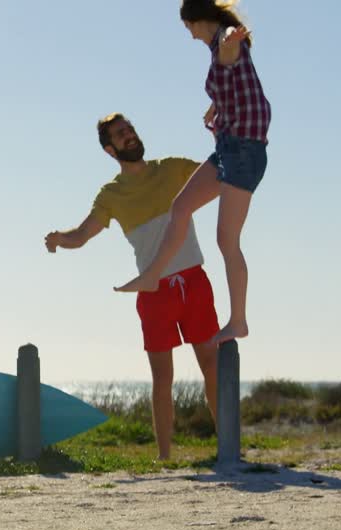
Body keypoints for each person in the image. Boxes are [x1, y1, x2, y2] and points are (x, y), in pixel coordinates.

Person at [44, 113, 219, 460]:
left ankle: (229, 446)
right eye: (121, 134)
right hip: (153, 293)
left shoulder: (172, 168)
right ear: (110, 149)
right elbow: (81, 235)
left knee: (213, 367)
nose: (130, 136)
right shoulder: (111, 194)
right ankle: (165, 457)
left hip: (195, 282)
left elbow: (219, 174)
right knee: (162, 379)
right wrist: (59, 239)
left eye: (131, 130)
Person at [113, 0, 270, 348]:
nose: (190, 35)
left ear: (200, 21)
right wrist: (215, 105)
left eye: (189, 28)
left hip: (244, 153)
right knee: (180, 206)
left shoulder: (226, 42)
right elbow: (234, 81)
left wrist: (231, 40)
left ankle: (239, 321)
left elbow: (231, 47)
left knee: (226, 241)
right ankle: (153, 274)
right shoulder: (217, 50)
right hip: (229, 149)